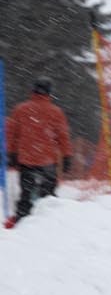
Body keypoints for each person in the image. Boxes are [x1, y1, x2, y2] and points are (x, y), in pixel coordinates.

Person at [5, 79, 73, 228]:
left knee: (26, 194)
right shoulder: (56, 112)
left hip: (26, 160)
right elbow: (63, 136)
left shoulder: (20, 110)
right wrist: (67, 155)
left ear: (33, 91)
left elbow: (11, 135)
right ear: (49, 93)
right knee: (48, 197)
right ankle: (48, 227)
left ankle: (21, 222)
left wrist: (11, 153)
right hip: (48, 160)